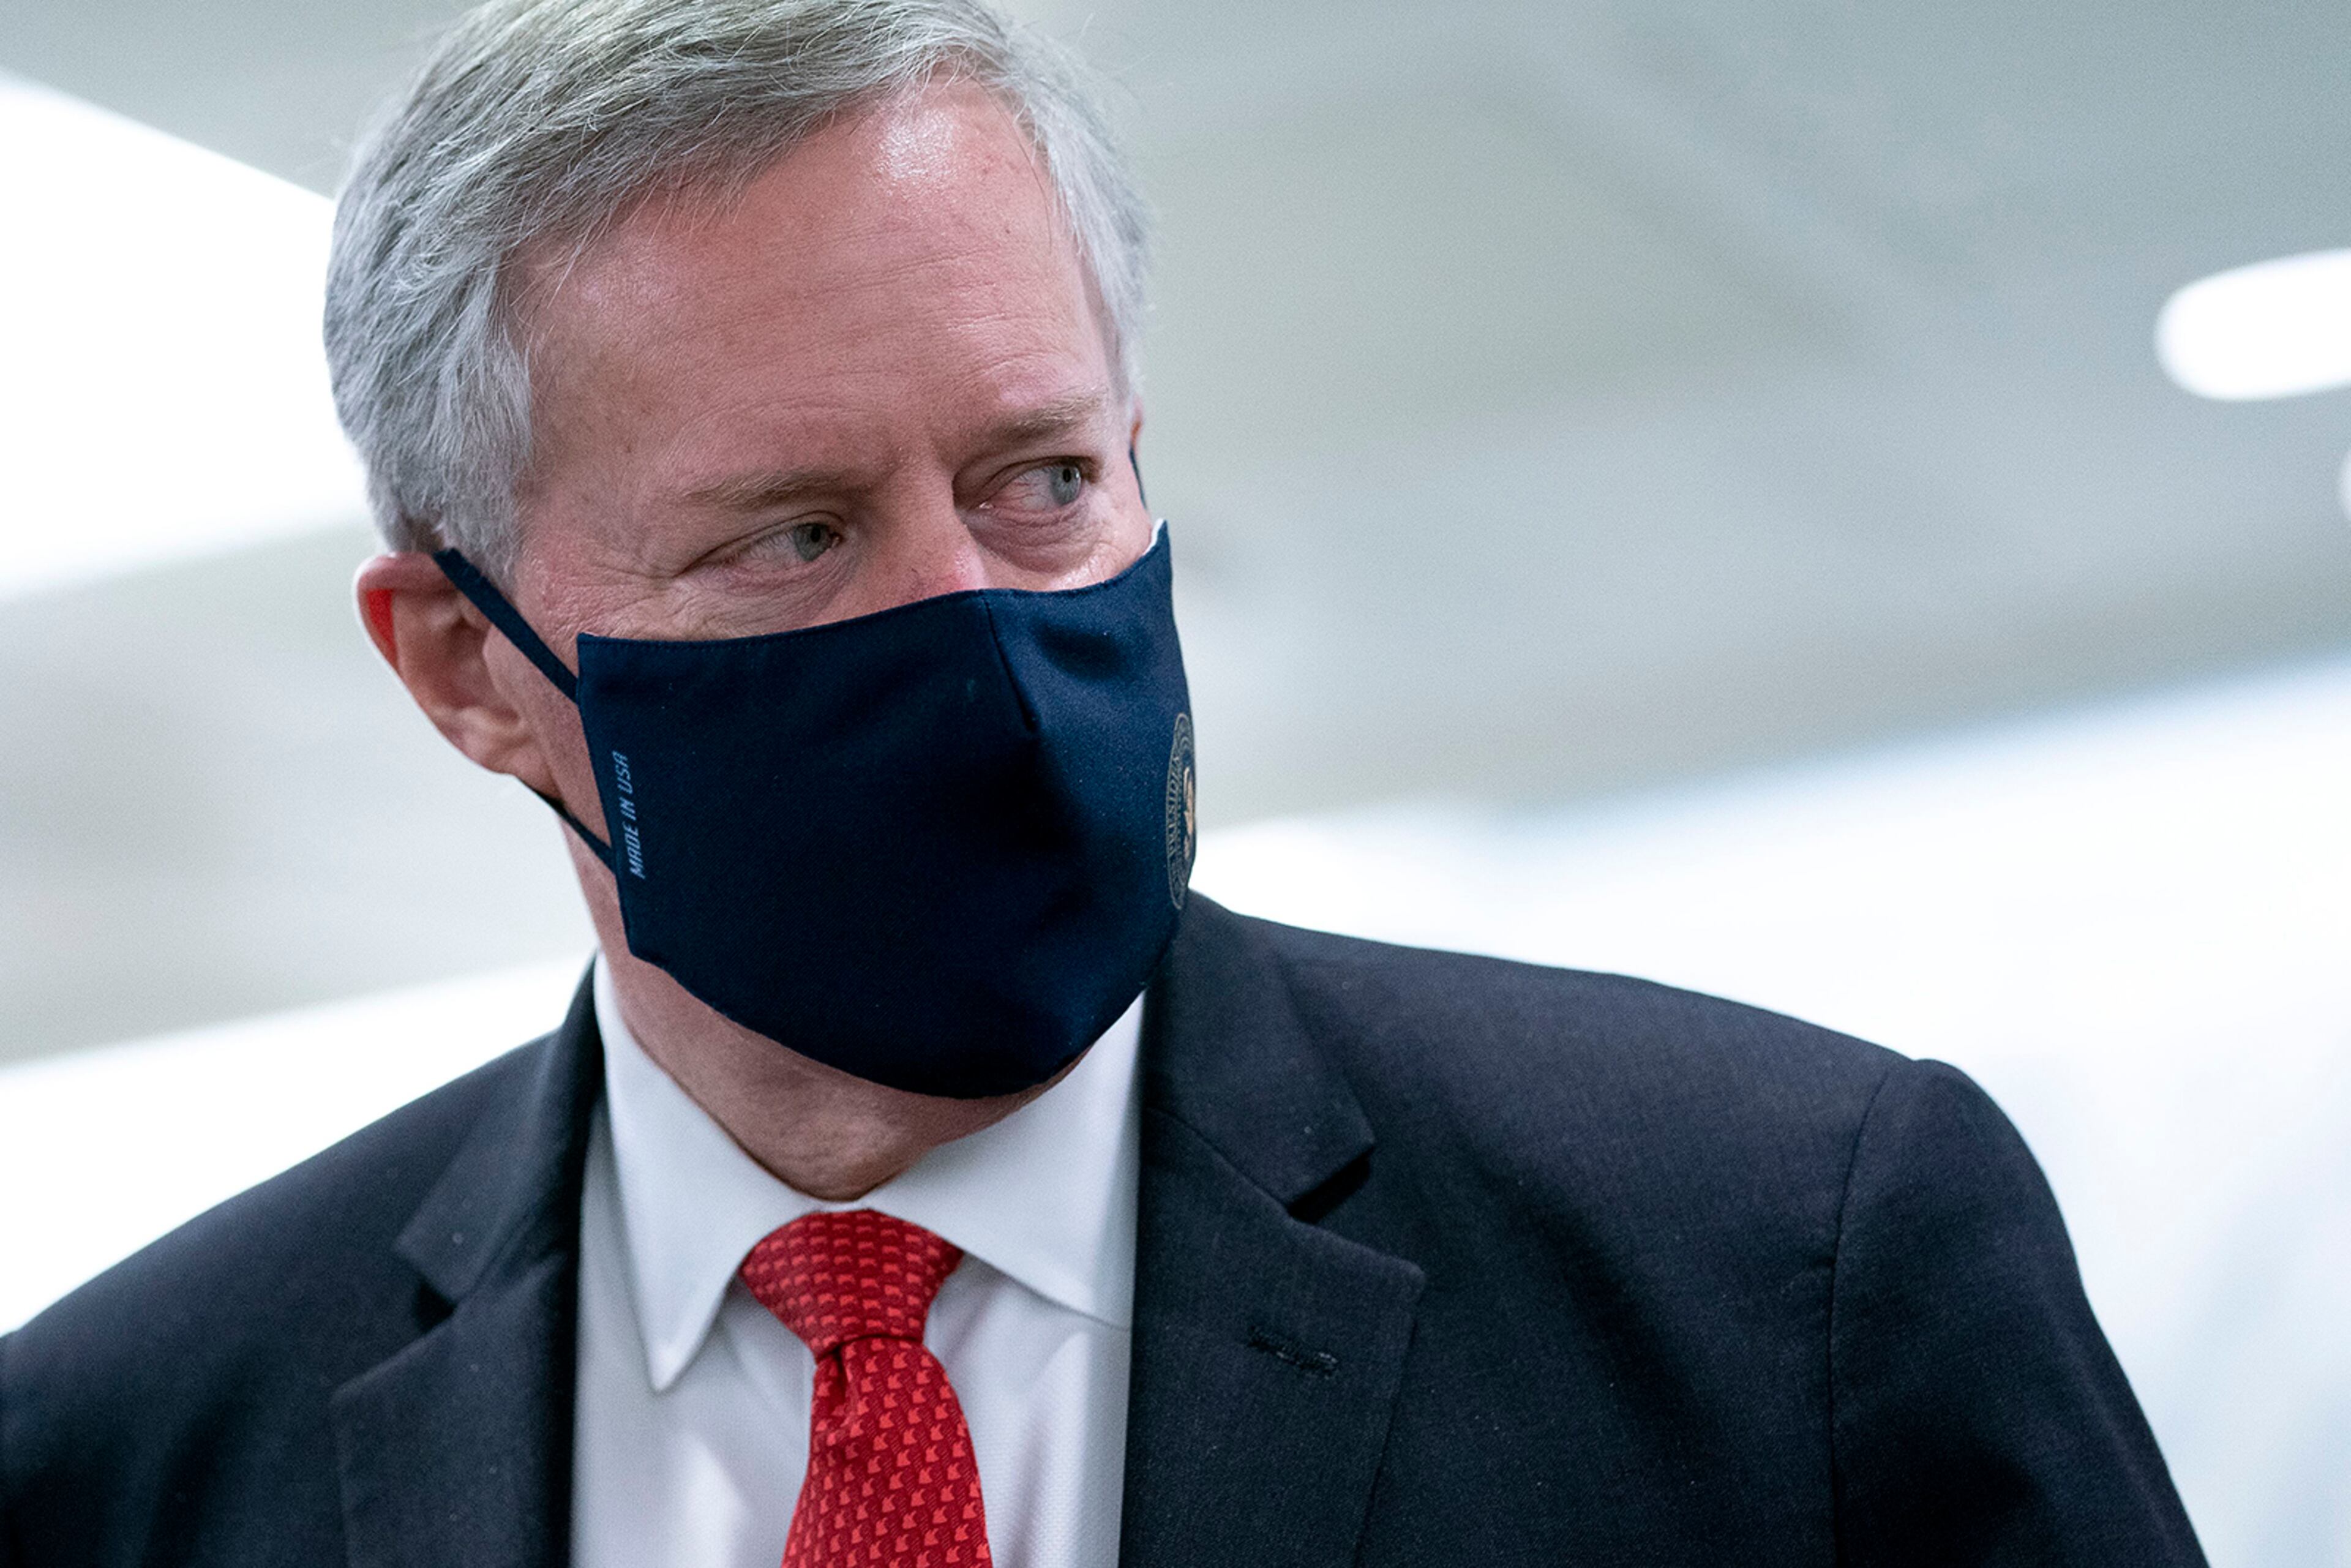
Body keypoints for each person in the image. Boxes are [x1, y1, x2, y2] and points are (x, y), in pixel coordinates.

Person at [0, 1, 2207, 1564]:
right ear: (472, 667)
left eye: (1040, 478)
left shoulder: (1780, 1266)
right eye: (794, 533)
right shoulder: (117, 1460)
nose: (973, 619)